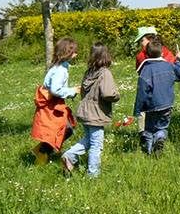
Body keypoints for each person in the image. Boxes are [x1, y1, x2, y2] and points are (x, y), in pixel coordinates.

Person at [61, 43, 120, 176]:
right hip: (97, 112)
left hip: (85, 111)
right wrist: (117, 96)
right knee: (96, 145)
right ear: (106, 55)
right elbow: (108, 94)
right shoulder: (105, 73)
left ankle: (70, 156)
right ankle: (93, 173)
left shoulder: (89, 72)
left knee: (89, 139)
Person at [31, 37, 80, 166]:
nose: (76, 54)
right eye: (74, 51)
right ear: (67, 52)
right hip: (52, 106)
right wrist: (72, 91)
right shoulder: (61, 70)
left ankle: (42, 150)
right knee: (65, 129)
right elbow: (56, 90)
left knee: (62, 129)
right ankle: (42, 152)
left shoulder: (58, 67)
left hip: (52, 104)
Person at [133, 42, 180, 155]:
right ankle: (160, 138)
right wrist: (179, 61)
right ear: (162, 53)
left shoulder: (145, 70)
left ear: (146, 55)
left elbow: (142, 91)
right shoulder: (169, 66)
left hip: (150, 105)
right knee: (162, 127)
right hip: (167, 104)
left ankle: (148, 152)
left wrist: (138, 109)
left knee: (149, 130)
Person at [134, 29, 175, 142]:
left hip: (148, 92)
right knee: (160, 119)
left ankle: (146, 137)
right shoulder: (164, 52)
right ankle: (158, 135)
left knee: (147, 114)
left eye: (142, 40)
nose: (141, 43)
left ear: (150, 39)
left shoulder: (143, 55)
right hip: (164, 96)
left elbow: (140, 72)